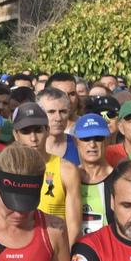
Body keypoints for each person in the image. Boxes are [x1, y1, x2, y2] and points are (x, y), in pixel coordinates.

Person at [14, 103, 82, 240]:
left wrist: (62, 257)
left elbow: (74, 226)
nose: (33, 138)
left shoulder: (66, 169)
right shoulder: (9, 170)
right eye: (26, 131)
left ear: (47, 130)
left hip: (56, 250)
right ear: (16, 135)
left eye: (38, 130)